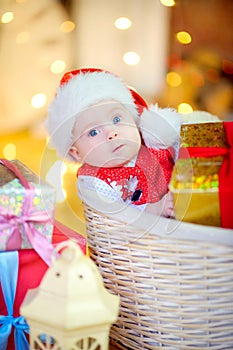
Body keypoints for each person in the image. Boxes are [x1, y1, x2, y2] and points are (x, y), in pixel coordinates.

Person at [46, 68, 181, 217]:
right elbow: (117, 219)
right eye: (93, 132)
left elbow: (186, 155)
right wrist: (156, 209)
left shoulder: (153, 142)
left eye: (117, 119)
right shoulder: (96, 183)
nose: (111, 133)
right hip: (149, 236)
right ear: (77, 153)